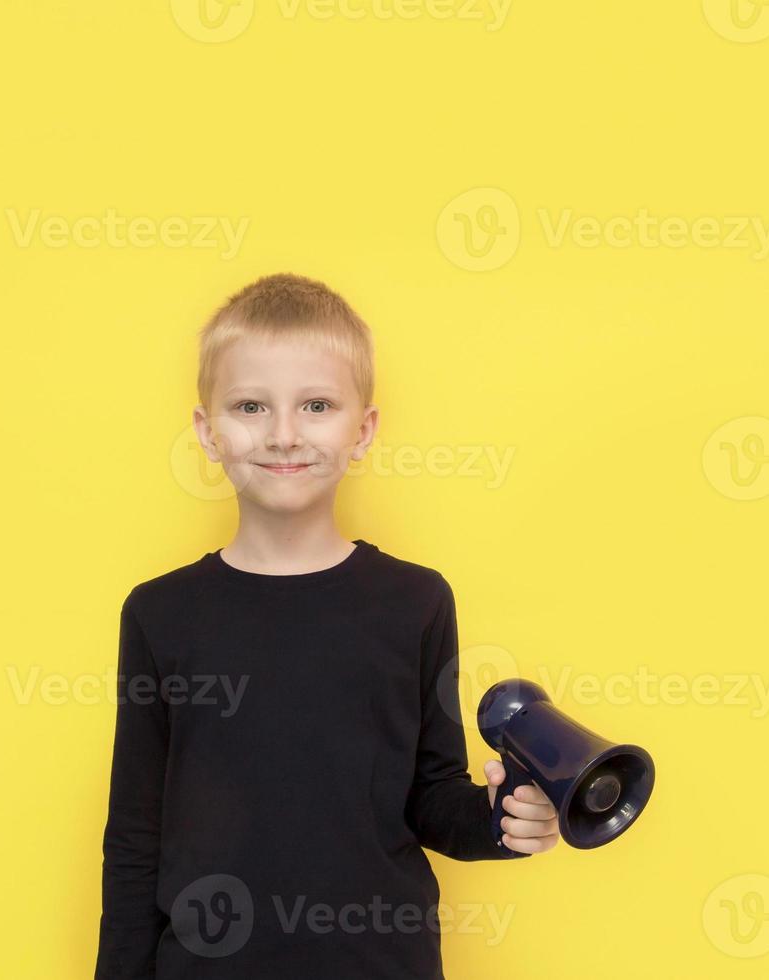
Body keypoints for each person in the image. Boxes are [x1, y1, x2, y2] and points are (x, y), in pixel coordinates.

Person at [94, 273, 559, 978]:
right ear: (207, 430)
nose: (284, 435)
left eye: (316, 405)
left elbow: (431, 798)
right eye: (251, 406)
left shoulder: (417, 602)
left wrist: (506, 820)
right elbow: (135, 836)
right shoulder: (160, 614)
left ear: (362, 430)